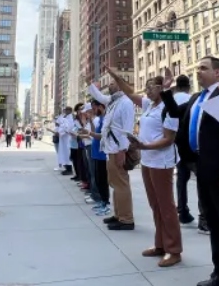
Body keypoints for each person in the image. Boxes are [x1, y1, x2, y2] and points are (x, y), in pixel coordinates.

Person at [161, 57, 219, 286]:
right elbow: (173, 112)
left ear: (218, 72)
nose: (197, 72)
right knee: (213, 223)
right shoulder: (196, 98)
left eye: (203, 68)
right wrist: (166, 90)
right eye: (197, 68)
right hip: (201, 167)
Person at [108, 67, 183, 267]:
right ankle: (160, 245)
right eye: (147, 87)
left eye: (152, 87)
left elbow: (168, 139)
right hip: (148, 161)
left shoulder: (169, 107)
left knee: (167, 207)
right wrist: (116, 75)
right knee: (155, 205)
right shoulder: (149, 105)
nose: (147, 90)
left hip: (162, 163)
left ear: (162, 88)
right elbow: (129, 92)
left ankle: (174, 250)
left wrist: (143, 146)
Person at [87, 76, 136, 231]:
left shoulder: (126, 102)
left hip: (118, 150)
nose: (109, 85)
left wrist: (123, 150)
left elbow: (127, 129)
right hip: (110, 149)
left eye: (113, 82)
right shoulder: (113, 101)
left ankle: (127, 219)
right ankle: (118, 215)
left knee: (121, 184)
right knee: (115, 184)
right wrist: (90, 83)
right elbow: (99, 96)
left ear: (121, 85)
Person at [172, 75, 206, 233]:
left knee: (182, 180)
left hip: (181, 148)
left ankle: (182, 211)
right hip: (192, 148)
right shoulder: (193, 98)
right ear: (189, 85)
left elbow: (169, 112)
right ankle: (203, 218)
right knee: (202, 183)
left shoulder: (186, 98)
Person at [79, 100, 111, 215]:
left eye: (94, 108)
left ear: (101, 107)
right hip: (96, 152)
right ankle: (102, 201)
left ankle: (105, 203)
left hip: (102, 154)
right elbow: (93, 132)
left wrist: (89, 132)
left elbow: (101, 136)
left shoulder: (105, 119)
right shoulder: (99, 119)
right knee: (98, 178)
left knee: (102, 180)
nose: (93, 110)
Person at [57, 108, 73, 176]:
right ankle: (66, 168)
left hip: (67, 139)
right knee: (64, 154)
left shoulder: (70, 119)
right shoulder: (65, 118)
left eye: (66, 110)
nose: (65, 112)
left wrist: (61, 132)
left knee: (67, 154)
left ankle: (69, 169)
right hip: (63, 139)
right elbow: (59, 123)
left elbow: (68, 128)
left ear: (69, 111)